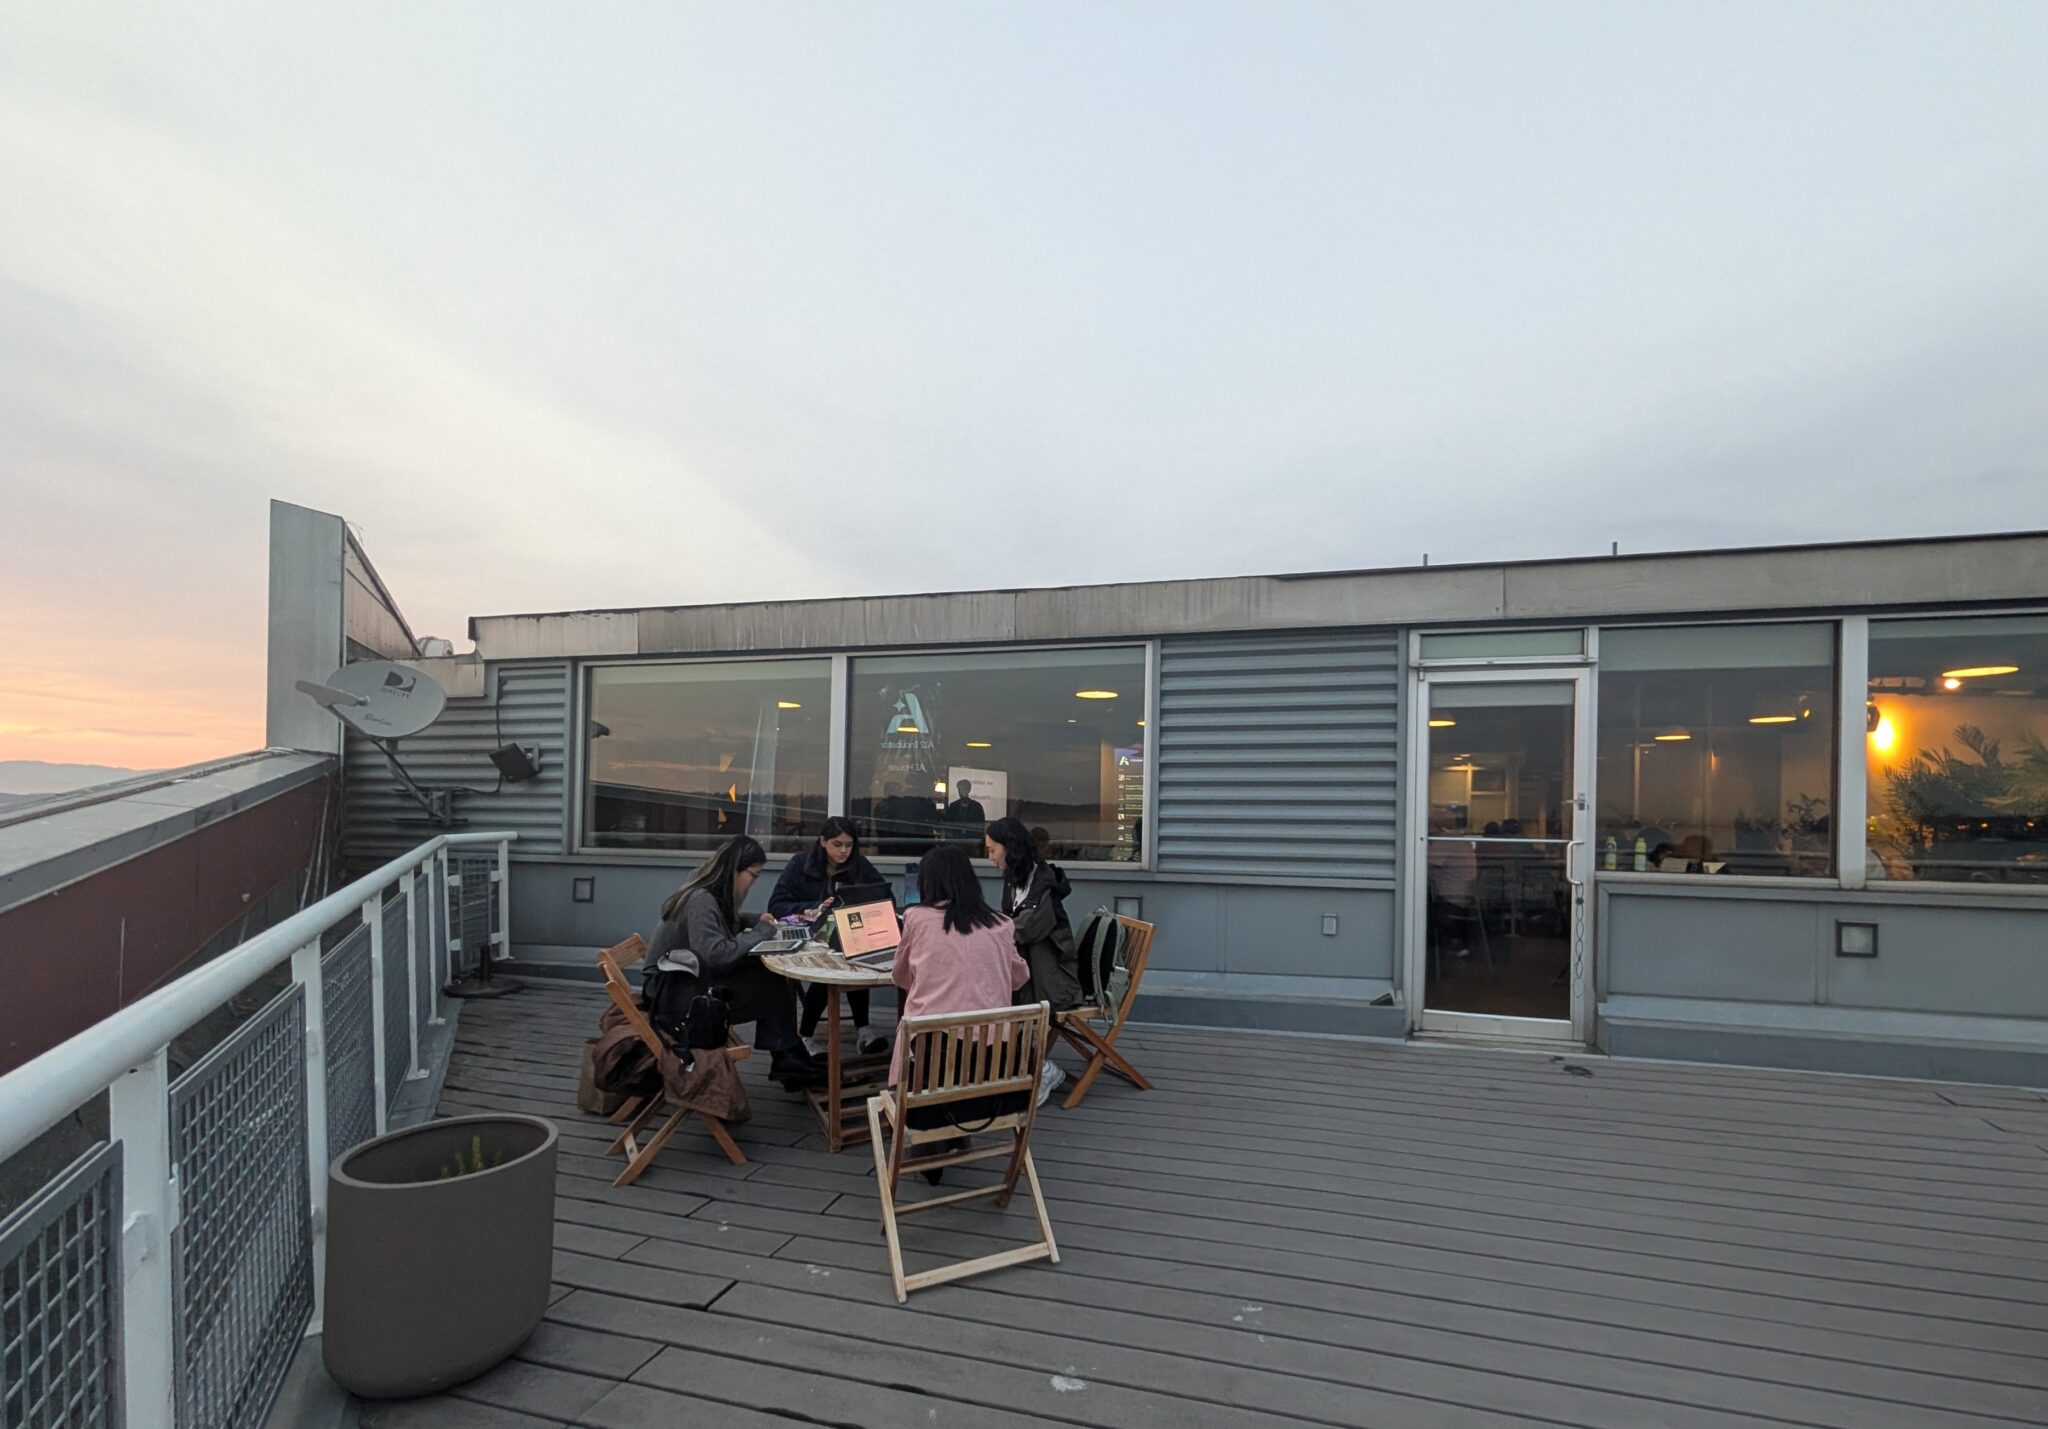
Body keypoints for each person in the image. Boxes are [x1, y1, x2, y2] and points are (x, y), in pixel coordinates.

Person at [890, 844, 1032, 1182]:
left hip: (929, 1074)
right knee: (965, 1041)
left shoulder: (917, 919)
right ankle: (952, 1133)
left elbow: (901, 977)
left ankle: (933, 1146)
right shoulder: (1001, 924)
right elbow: (1019, 977)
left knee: (922, 1035)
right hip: (993, 1075)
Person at [642, 836, 820, 1090]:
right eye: (753, 875)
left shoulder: (706, 892)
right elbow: (715, 956)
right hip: (672, 997)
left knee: (768, 973)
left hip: (678, 983)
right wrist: (760, 932)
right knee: (770, 980)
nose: (753, 882)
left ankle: (789, 1056)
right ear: (735, 870)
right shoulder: (701, 900)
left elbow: (721, 924)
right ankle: (788, 1057)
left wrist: (753, 920)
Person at [767, 817, 891, 1056]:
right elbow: (776, 905)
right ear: (823, 842)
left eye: (849, 844)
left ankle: (862, 1029)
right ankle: (807, 1035)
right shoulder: (800, 864)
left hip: (848, 934)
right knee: (827, 976)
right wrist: (813, 908)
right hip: (809, 937)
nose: (844, 851)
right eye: (837, 844)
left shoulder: (859, 865)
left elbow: (883, 894)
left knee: (856, 960)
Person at [984, 816, 1080, 1104]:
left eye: (991, 850)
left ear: (1010, 848)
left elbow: (1024, 929)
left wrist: (983, 930)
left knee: (993, 1000)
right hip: (1031, 971)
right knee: (988, 994)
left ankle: (1041, 1070)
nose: (989, 857)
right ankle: (1012, 1070)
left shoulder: (1043, 884)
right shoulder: (1017, 878)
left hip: (1053, 981)